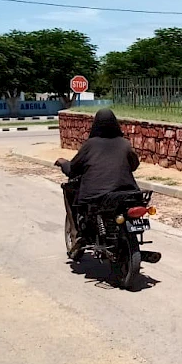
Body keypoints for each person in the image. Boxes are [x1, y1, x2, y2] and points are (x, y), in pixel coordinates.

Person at [55, 108, 140, 258]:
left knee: (68, 191)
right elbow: (134, 165)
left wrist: (63, 163)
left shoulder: (91, 145)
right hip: (127, 192)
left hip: (97, 195)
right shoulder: (125, 144)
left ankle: (76, 235)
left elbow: (73, 169)